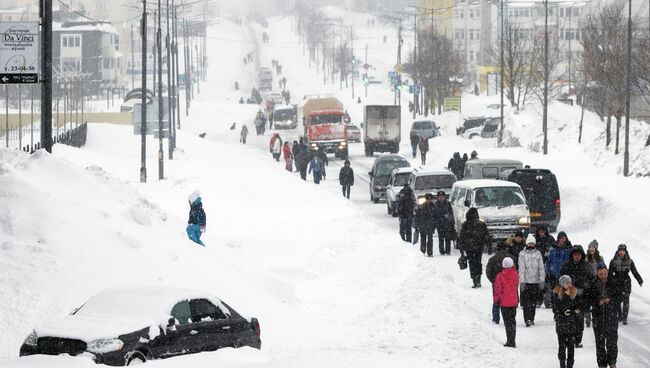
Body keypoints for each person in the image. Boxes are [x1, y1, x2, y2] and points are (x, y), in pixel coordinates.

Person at [589, 263, 622, 368]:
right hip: (598, 316)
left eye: (604, 273)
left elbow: (619, 297)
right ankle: (601, 363)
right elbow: (589, 298)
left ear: (607, 272)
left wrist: (610, 300)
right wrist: (597, 301)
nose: (603, 276)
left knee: (612, 340)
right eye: (601, 274)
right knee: (599, 342)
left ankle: (612, 361)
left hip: (611, 315)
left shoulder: (613, 282)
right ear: (597, 273)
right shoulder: (593, 283)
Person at [560, 245, 593, 348]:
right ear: (572, 255)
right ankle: (570, 338)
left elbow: (592, 279)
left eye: (579, 254)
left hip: (582, 297)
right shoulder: (566, 266)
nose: (577, 256)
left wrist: (587, 289)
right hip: (569, 297)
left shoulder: (587, 266)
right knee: (569, 318)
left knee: (579, 319)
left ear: (582, 255)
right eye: (575, 254)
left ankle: (578, 340)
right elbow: (560, 281)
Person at [608, 244, 643, 325]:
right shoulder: (613, 261)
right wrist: (611, 281)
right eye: (620, 250)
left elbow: (634, 272)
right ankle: (619, 316)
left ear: (625, 251)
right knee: (617, 300)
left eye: (623, 251)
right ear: (617, 251)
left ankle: (624, 318)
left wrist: (639, 280)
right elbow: (609, 273)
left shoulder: (630, 261)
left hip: (626, 282)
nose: (621, 252)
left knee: (626, 300)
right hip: (616, 283)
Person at [553, 275, 582, 368]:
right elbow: (558, 307)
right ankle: (562, 363)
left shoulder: (574, 293)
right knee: (562, 346)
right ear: (562, 284)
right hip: (561, 324)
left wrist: (577, 310)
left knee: (571, 346)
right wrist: (566, 296)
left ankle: (570, 364)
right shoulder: (557, 293)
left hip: (571, 323)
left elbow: (578, 305)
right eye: (566, 283)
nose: (569, 285)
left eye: (570, 283)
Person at [486, 241, 518, 324]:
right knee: (509, 300)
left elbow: (488, 272)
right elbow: (516, 271)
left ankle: (496, 318)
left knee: (496, 300)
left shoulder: (493, 259)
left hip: (497, 283)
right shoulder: (512, 258)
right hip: (510, 285)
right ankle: (510, 318)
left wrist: (493, 281)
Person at [459, 207, 491, 288]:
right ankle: (478, 279)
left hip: (469, 248)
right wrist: (489, 246)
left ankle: (475, 280)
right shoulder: (481, 224)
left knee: (472, 264)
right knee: (478, 262)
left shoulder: (465, 224)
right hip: (479, 247)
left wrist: (462, 249)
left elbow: (462, 237)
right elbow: (487, 236)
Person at [519, 234, 546, 327]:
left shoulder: (538, 254)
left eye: (532, 243)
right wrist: (522, 281)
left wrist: (542, 280)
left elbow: (541, 267)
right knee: (526, 302)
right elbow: (521, 268)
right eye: (529, 243)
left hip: (535, 281)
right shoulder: (522, 254)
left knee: (533, 302)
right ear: (526, 243)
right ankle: (527, 319)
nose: (530, 245)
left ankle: (532, 318)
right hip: (526, 281)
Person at [493, 257, 518, 347]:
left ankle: (510, 341)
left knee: (507, 323)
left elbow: (497, 289)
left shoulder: (500, 276)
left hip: (504, 302)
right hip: (513, 301)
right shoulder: (515, 274)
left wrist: (496, 300)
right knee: (512, 321)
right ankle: (513, 340)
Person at [545, 231, 572, 308]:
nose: (563, 240)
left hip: (565, 275)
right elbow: (547, 261)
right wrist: (547, 272)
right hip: (554, 274)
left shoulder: (569, 248)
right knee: (555, 293)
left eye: (564, 238)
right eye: (561, 238)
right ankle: (555, 307)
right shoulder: (552, 248)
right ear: (558, 239)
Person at [585, 240, 604, 328]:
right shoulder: (585, 258)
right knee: (587, 301)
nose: (591, 249)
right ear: (588, 248)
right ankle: (587, 318)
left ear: (596, 249)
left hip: (597, 282)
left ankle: (595, 318)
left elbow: (604, 269)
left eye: (593, 247)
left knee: (596, 301)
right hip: (587, 282)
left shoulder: (600, 258)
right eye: (590, 247)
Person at [433, 191, 455, 255]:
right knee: (441, 238)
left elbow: (451, 214)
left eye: (442, 196)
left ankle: (448, 251)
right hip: (439, 224)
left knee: (448, 238)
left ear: (444, 197)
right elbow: (434, 215)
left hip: (447, 223)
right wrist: (435, 223)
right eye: (439, 196)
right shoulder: (436, 204)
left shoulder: (448, 204)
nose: (441, 198)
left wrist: (452, 223)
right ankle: (442, 251)